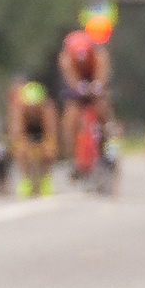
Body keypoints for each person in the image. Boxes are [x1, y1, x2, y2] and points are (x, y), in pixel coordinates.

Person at [56, 20, 112, 183]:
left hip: (93, 81)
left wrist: (98, 85)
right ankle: (73, 157)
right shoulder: (66, 58)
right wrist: (77, 86)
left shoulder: (99, 55)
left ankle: (104, 146)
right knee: (70, 119)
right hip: (76, 88)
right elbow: (69, 77)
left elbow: (102, 73)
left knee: (102, 110)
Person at [7, 76, 57, 198]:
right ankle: (25, 180)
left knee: (48, 150)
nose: (32, 110)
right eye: (29, 107)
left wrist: (48, 145)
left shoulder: (47, 108)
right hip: (26, 133)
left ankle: (45, 179)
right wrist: (21, 144)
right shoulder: (19, 109)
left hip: (42, 132)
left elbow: (51, 131)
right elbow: (16, 131)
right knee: (21, 149)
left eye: (35, 106)